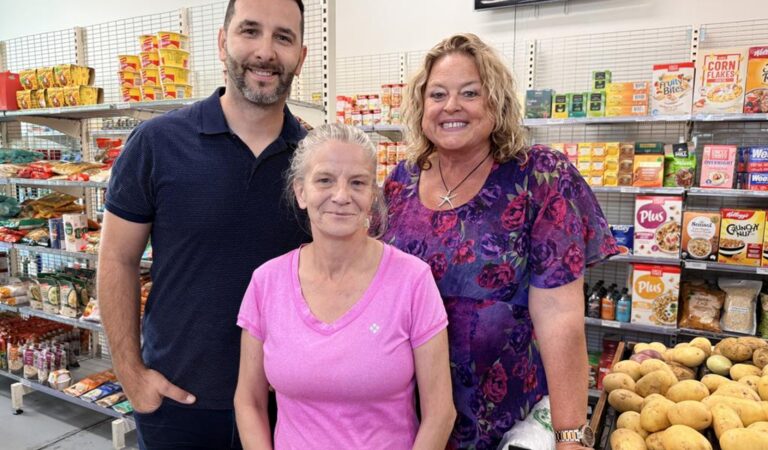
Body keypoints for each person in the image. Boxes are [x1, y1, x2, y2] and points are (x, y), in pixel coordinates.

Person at [383, 33, 618, 450]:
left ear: (496, 102)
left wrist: (570, 436)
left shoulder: (540, 177)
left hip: (506, 422)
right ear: (421, 108)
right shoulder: (400, 184)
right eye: (437, 94)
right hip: (405, 418)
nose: (451, 106)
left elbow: (561, 316)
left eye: (469, 92)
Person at [97, 0, 310, 448]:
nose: (265, 51)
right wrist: (131, 375)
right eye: (250, 31)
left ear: (301, 56)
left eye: (283, 37)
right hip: (178, 404)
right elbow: (117, 258)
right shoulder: (157, 142)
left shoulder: (316, 160)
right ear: (222, 42)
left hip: (286, 407)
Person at [234, 123, 456, 449]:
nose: (341, 196)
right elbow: (249, 401)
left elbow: (440, 414)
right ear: (301, 191)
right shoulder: (266, 283)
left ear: (372, 195)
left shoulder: (412, 281)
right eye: (324, 180)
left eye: (357, 182)